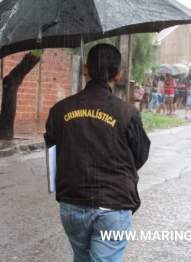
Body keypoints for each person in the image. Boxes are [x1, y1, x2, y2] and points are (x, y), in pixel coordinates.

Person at [43, 43, 150, 262]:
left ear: (85, 69)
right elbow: (139, 155)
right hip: (112, 205)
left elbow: (54, 150)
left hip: (72, 205)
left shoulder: (60, 110)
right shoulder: (126, 113)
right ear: (118, 75)